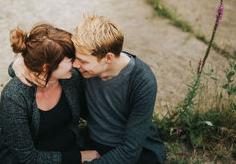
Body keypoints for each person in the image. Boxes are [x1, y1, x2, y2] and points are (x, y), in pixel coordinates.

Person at [16, 16, 166, 164]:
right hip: (93, 143)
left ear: (108, 58)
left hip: (136, 151)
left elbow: (131, 150)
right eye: (75, 58)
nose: (75, 65)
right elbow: (46, 56)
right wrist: (18, 64)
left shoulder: (142, 81)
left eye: (83, 61)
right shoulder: (83, 70)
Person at [0, 23, 100, 164]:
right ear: (46, 67)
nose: (75, 64)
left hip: (68, 148)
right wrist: (79, 157)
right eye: (70, 60)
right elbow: (27, 158)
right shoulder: (14, 97)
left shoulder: (70, 78)